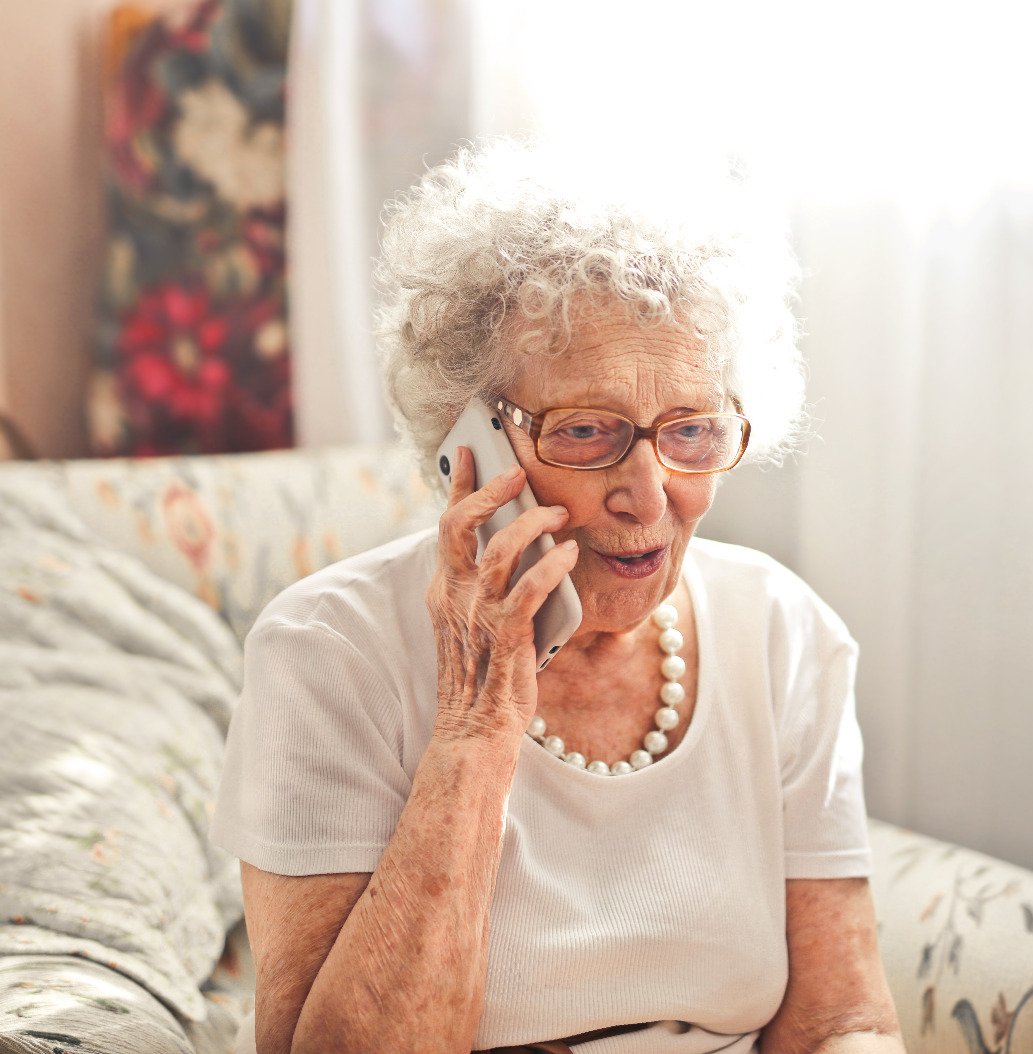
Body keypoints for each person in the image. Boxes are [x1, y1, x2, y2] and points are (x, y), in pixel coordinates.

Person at [211, 141, 904, 1054]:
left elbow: (841, 1021)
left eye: (691, 429)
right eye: (586, 431)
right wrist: (474, 727)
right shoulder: (325, 652)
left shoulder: (782, 632)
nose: (651, 497)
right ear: (470, 442)